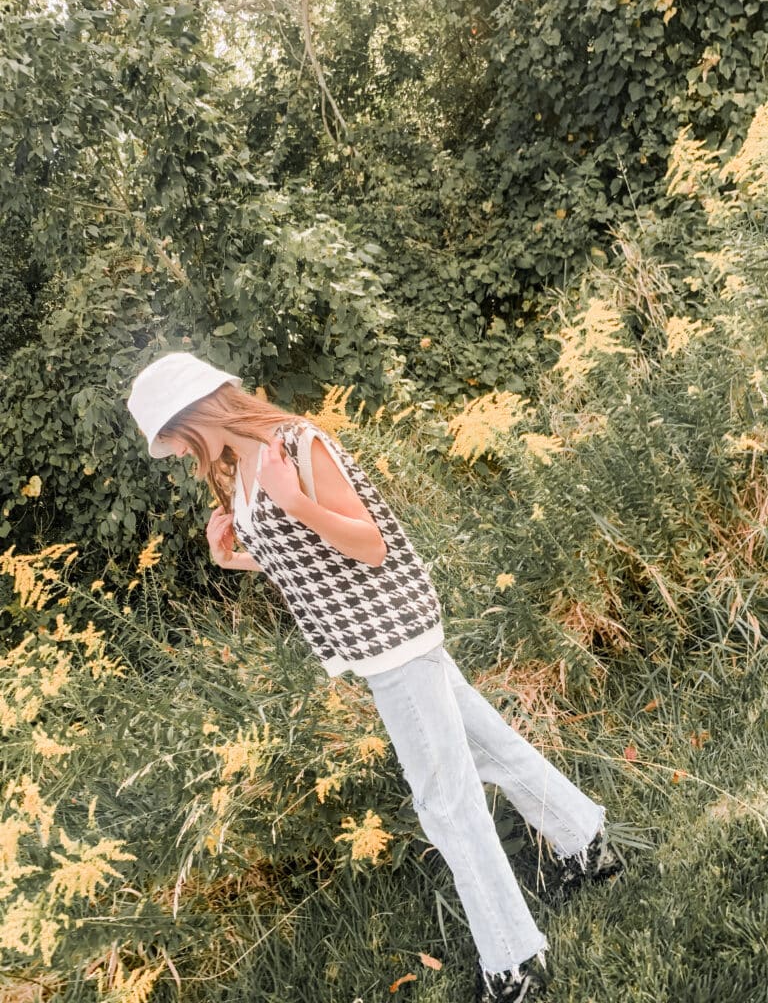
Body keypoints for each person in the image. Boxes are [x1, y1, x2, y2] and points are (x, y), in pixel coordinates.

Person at [127, 352, 619, 1003]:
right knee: (490, 749)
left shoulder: (297, 443)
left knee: (445, 804)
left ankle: (511, 963)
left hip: (395, 638)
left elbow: (368, 544)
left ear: (199, 412)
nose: (186, 458)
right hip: (376, 640)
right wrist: (235, 560)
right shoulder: (245, 467)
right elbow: (307, 564)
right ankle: (586, 840)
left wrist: (296, 502)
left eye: (179, 440)